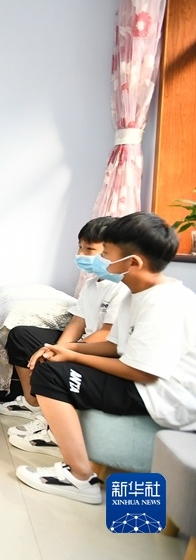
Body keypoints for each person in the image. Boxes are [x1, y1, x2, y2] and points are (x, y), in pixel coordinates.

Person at [14, 212, 196, 504]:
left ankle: (79, 477)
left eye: (106, 254)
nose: (101, 261)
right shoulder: (136, 293)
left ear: (133, 262)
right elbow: (114, 346)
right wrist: (67, 350)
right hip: (144, 382)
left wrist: (73, 358)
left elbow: (143, 372)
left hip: (163, 395)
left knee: (52, 374)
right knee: (54, 361)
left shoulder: (164, 302)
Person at [0, 217, 128, 447]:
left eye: (90, 249)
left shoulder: (121, 288)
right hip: (85, 341)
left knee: (54, 363)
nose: (81, 254)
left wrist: (66, 352)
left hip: (101, 347)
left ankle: (53, 423)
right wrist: (57, 348)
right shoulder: (92, 284)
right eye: (80, 247)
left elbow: (107, 335)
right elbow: (77, 322)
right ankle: (32, 403)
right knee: (21, 336)